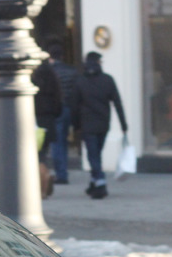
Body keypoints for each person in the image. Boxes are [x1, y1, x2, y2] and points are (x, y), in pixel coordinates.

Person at [73, 51, 128, 199]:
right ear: (98, 62)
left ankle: (100, 182)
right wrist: (124, 124)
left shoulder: (80, 81)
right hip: (103, 124)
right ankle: (94, 182)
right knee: (96, 154)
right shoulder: (107, 80)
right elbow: (117, 103)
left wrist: (75, 125)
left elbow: (74, 105)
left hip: (87, 124)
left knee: (93, 155)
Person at [30, 42, 79, 184]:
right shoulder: (70, 71)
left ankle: (52, 175)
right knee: (61, 142)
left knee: (48, 147)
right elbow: (71, 94)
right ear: (62, 56)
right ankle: (61, 173)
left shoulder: (41, 74)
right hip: (63, 110)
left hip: (45, 114)